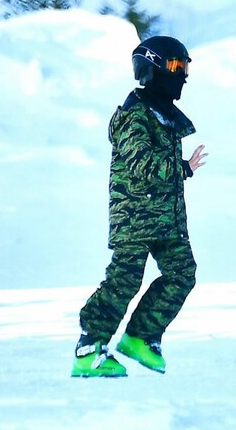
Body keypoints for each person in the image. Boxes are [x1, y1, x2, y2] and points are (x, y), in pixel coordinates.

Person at [71, 36, 207, 378]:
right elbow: (141, 162)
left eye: (185, 67)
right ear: (153, 68)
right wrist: (182, 167)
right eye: (176, 66)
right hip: (134, 217)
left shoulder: (164, 116)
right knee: (124, 280)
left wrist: (181, 169)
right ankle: (89, 348)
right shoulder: (135, 116)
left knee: (182, 273)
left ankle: (140, 337)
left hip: (165, 219)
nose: (183, 76)